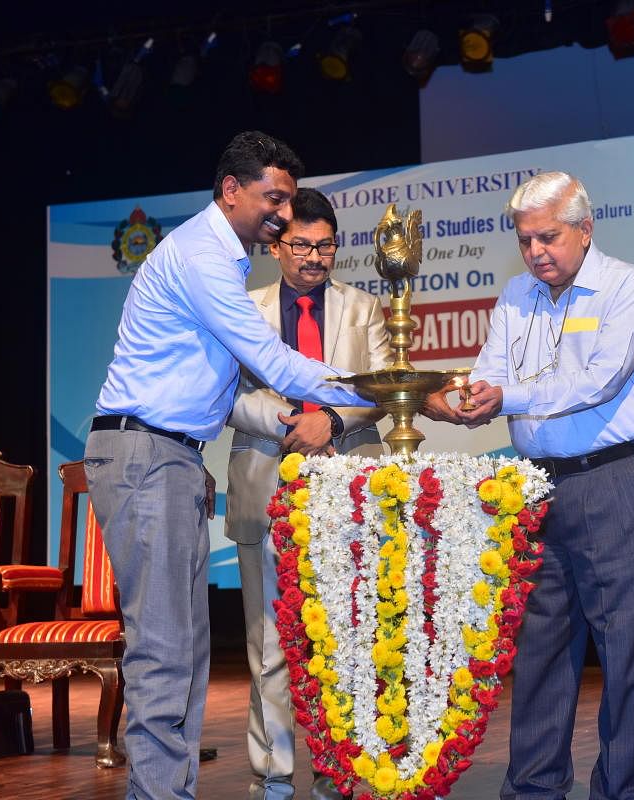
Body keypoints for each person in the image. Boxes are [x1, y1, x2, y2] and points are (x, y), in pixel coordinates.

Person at [84, 131, 373, 800]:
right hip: (146, 455)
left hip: (172, 457)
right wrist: (382, 392)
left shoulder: (221, 260)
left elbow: (230, 392)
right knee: (163, 654)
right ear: (231, 191)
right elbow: (273, 364)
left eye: (289, 201)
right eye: (273, 199)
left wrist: (286, 421)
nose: (281, 214)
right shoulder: (201, 257)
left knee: (183, 655)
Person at [424, 171, 634, 800]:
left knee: (628, 649)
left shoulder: (625, 287)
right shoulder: (515, 293)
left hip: (615, 482)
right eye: (525, 240)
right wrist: (467, 397)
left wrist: (509, 394)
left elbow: (599, 382)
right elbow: (491, 370)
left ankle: (625, 791)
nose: (536, 252)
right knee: (540, 649)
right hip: (532, 487)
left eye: (548, 238)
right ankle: (533, 788)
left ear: (586, 231)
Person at [225, 187, 391, 800]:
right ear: (277, 245)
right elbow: (229, 393)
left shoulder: (365, 308)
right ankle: (272, 777)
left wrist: (336, 422)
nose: (314, 258)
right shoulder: (243, 308)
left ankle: (340, 770)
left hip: (350, 487)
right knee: (269, 642)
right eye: (301, 245)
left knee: (347, 638)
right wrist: (296, 421)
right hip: (266, 481)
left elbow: (381, 389)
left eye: (325, 246)